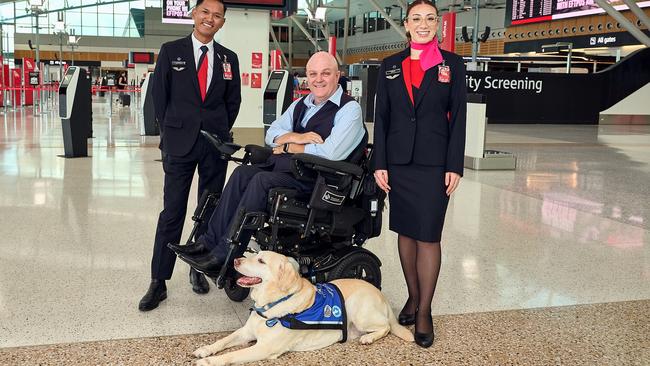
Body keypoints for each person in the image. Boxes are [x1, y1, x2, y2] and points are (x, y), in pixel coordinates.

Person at [168, 51, 365, 276]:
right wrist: (298, 137)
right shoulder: (302, 104)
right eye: (313, 74)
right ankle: (206, 243)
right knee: (242, 173)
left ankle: (224, 254)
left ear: (338, 75)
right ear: (306, 77)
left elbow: (331, 152)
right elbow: (271, 134)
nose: (318, 79)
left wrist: (289, 146)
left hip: (318, 181)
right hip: (289, 170)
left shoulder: (349, 109)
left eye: (325, 73)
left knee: (261, 180)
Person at [372, 0, 466, 348]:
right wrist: (379, 162)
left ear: (439, 25)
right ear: (406, 25)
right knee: (406, 233)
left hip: (433, 164)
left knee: (428, 235)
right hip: (398, 162)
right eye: (417, 19)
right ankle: (412, 297)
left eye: (430, 18)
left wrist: (455, 165)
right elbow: (381, 117)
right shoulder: (390, 66)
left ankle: (424, 310)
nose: (423, 24)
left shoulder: (452, 65)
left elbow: (458, 118)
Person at [138, 0, 241, 312]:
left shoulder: (228, 58)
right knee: (173, 211)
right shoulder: (172, 50)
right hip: (179, 144)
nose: (210, 19)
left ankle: (198, 267)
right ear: (194, 14)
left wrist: (219, 130)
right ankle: (159, 280)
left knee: (209, 209)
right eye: (205, 12)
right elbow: (160, 96)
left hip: (214, 144)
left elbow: (232, 101)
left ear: (222, 22)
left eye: (217, 15)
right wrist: (170, 133)